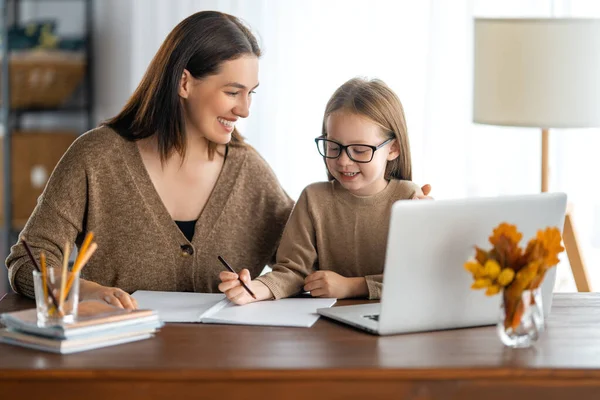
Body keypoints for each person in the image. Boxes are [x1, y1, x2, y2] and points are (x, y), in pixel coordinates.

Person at [5, 11, 295, 309]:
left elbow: (308, 258)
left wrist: (263, 286)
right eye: (233, 92)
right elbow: (27, 262)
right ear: (184, 83)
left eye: (251, 94)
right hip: (115, 351)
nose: (245, 110)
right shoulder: (96, 157)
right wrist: (84, 290)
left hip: (218, 354)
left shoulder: (248, 170)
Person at [219, 77, 425, 304]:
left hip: (392, 321)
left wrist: (352, 286)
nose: (344, 161)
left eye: (359, 149)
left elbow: (417, 277)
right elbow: (292, 271)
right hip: (326, 325)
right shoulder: (314, 199)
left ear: (393, 148)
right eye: (333, 147)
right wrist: (256, 288)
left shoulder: (410, 198)